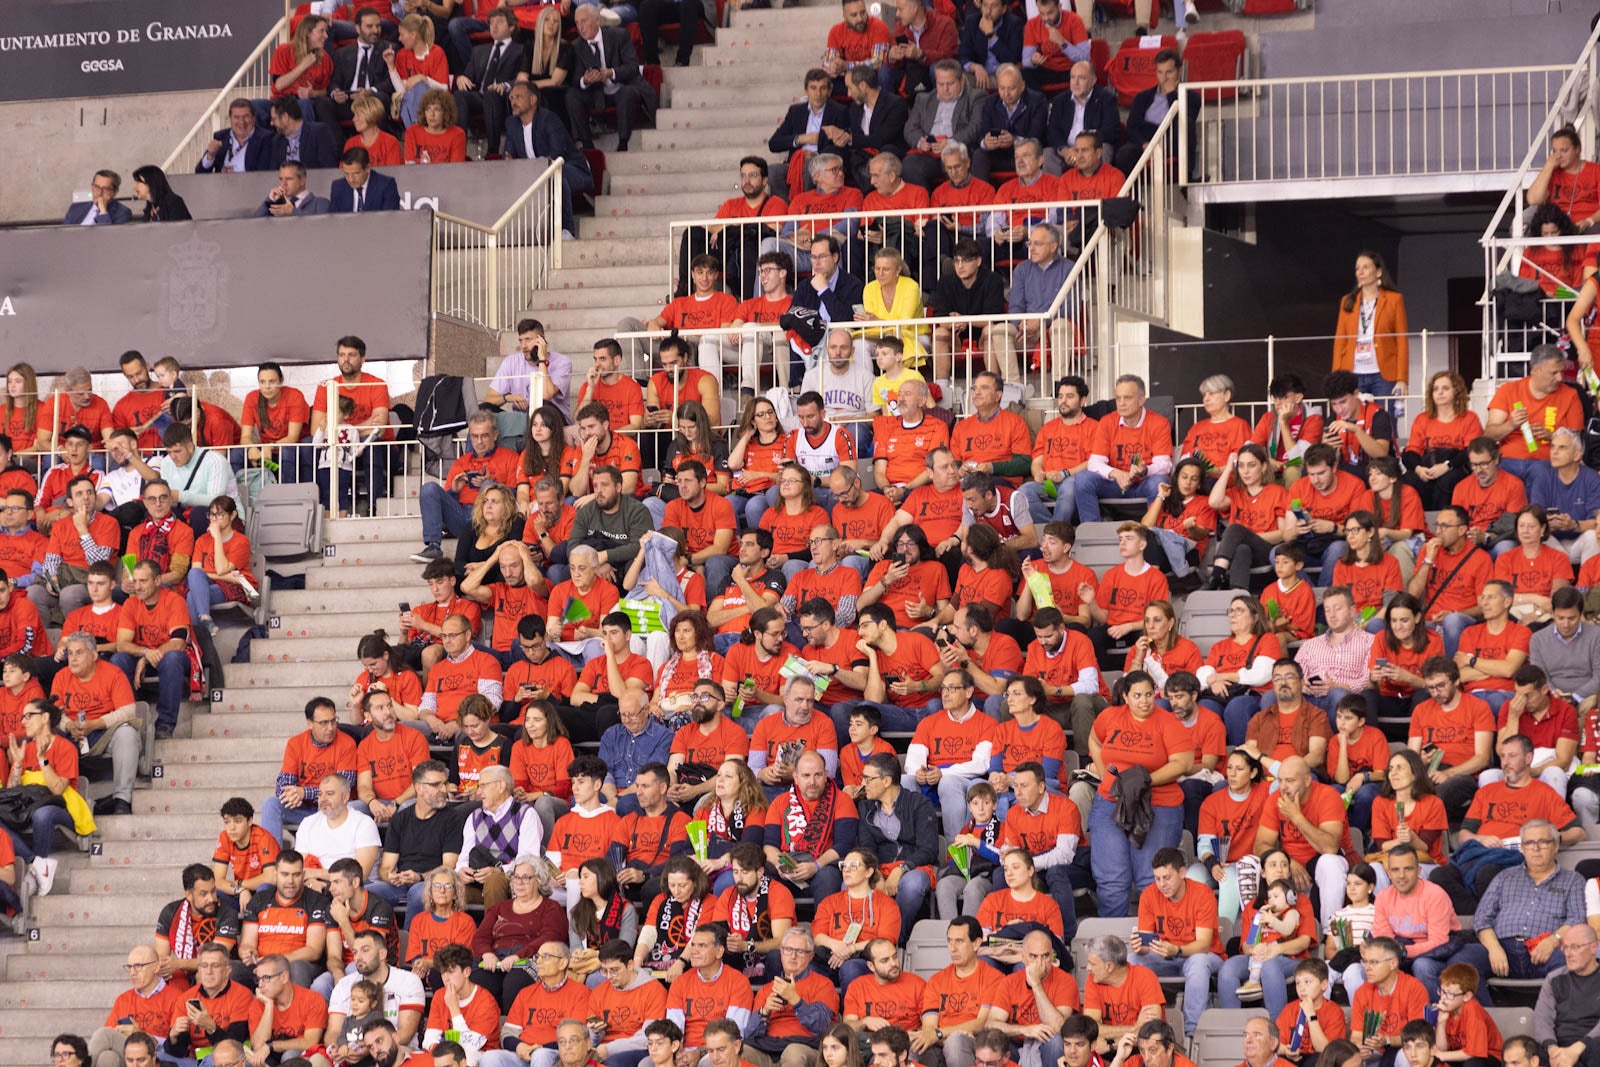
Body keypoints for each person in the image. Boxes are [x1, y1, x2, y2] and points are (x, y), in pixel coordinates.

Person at [1430, 735, 1584, 912]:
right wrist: (1481, 838)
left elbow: (1578, 832)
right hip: (1480, 852)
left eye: (1512, 756)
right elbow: (1464, 835)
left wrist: (1546, 838)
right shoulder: (1487, 791)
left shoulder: (1544, 793)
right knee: (1440, 875)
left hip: (1513, 858)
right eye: (1503, 756)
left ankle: (1483, 922)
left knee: (1488, 873)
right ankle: (1477, 919)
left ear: (1528, 758)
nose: (1505, 762)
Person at [49, 631, 140, 816]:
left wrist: (96, 723)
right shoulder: (61, 676)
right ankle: (57, 802)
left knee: (127, 734)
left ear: (94, 655)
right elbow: (54, 712)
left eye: (79, 652)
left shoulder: (113, 673)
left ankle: (122, 799)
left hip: (102, 731)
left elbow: (129, 710)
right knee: (44, 733)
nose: (73, 658)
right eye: (70, 653)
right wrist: (68, 725)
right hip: (70, 733)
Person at [567, 4, 656, 153]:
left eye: (584, 21)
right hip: (596, 93)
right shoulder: (576, 46)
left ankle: (623, 143)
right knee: (571, 95)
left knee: (627, 93)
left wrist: (610, 73)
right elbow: (575, 79)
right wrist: (586, 80)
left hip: (621, 87)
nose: (580, 27)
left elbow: (632, 67)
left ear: (597, 20)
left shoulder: (619, 36)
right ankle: (587, 144)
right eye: (577, 23)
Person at [665, 925, 757, 1056]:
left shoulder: (739, 982)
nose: (694, 951)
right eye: (693, 945)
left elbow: (732, 1035)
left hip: (717, 1053)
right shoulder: (680, 982)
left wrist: (699, 1053)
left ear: (719, 951)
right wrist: (678, 1055)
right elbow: (673, 1031)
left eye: (702, 946)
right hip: (682, 1052)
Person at [1531, 925, 1600, 1067]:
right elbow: (1542, 1019)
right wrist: (1552, 1048)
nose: (1568, 954)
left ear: (1594, 947)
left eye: (1575, 947)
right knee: (1518, 1049)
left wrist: (1578, 1048)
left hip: (1592, 1044)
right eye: (1565, 947)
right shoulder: (1554, 978)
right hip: (1558, 1046)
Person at [199, 97, 276, 173]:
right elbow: (199, 172)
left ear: (253, 118)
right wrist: (210, 156)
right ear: (230, 119)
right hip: (222, 184)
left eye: (246, 116)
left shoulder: (266, 138)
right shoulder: (221, 137)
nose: (241, 122)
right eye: (236, 117)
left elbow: (264, 174)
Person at [269, 97, 340, 169]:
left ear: (285, 117)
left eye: (274, 119)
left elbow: (328, 168)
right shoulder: (277, 141)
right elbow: (273, 173)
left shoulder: (319, 132)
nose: (271, 123)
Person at [329, 145, 401, 213]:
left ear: (368, 168)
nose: (351, 179)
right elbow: (334, 221)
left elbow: (390, 220)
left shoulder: (386, 185)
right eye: (346, 174)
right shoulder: (338, 187)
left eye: (356, 173)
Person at [64, 170, 133, 225]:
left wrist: (103, 211)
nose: (99, 193)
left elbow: (110, 238)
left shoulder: (123, 213)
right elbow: (64, 235)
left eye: (105, 189)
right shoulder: (76, 208)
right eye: (96, 187)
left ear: (115, 192)